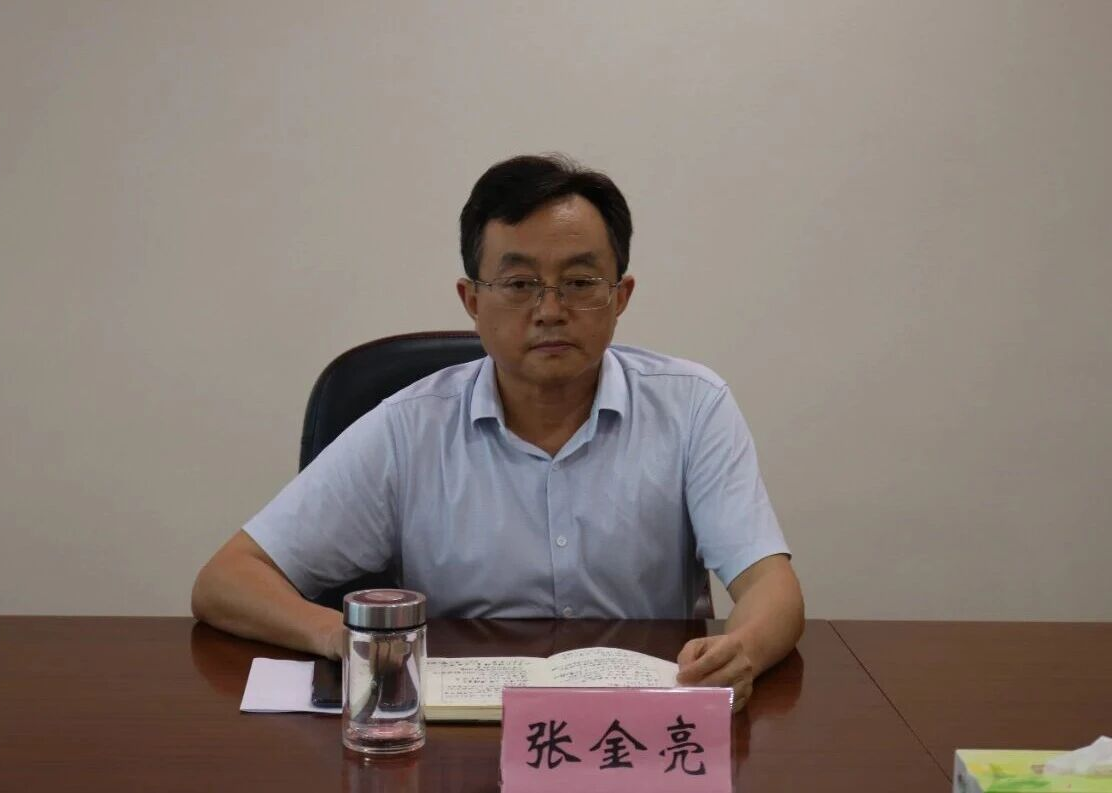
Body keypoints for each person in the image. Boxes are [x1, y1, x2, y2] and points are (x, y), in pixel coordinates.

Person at [192, 154, 804, 709]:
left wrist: (742, 650)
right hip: (462, 729)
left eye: (580, 283)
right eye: (518, 285)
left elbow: (770, 586)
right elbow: (227, 580)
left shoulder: (693, 407)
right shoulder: (410, 427)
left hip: (639, 724)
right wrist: (343, 637)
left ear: (620, 296)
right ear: (471, 301)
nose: (550, 310)